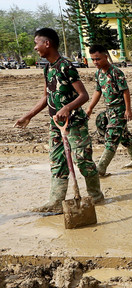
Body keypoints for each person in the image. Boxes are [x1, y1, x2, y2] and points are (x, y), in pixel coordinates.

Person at [14, 28, 103, 213]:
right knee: (57, 161)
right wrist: (28, 115)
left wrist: (67, 107)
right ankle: (55, 201)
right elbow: (47, 96)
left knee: (83, 160)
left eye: (36, 43)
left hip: (74, 123)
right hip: (55, 124)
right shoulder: (47, 68)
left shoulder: (66, 66)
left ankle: (96, 196)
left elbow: (83, 95)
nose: (35, 47)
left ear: (47, 43)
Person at [86, 44, 132, 176]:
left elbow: (125, 91)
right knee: (124, 136)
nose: (95, 62)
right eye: (93, 59)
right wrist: (90, 108)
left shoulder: (116, 72)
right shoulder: (99, 73)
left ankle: (100, 168)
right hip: (109, 110)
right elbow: (97, 91)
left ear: (106, 57)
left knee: (111, 137)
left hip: (119, 110)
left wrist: (128, 110)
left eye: (98, 59)